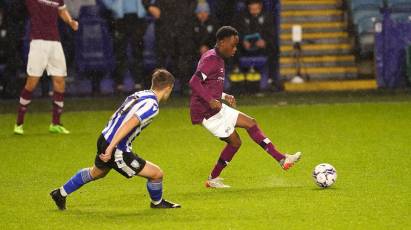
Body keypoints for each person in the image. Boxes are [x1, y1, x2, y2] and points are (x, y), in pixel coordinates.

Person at [50, 69, 181, 210]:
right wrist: (111, 147)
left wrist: (107, 140)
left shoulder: (139, 94)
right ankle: (157, 203)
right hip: (116, 147)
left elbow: (118, 114)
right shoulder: (152, 105)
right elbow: (129, 123)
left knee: (97, 172)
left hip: (104, 137)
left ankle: (60, 193)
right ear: (168, 88)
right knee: (156, 174)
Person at [188, 26, 301, 188]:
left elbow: (209, 84)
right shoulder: (211, 59)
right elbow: (194, 82)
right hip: (206, 112)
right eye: (232, 45)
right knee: (235, 143)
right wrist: (210, 100)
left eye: (236, 46)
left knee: (251, 123)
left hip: (215, 107)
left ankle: (282, 159)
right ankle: (212, 178)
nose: (234, 49)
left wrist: (223, 96)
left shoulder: (217, 58)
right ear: (221, 42)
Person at [13, 0, 79, 135]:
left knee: (60, 81)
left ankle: (55, 123)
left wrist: (71, 21)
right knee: (32, 83)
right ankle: (19, 123)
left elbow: (61, 10)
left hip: (55, 43)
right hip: (38, 43)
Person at [101, 0, 154, 93]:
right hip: (120, 18)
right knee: (119, 52)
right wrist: (114, 7)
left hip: (138, 18)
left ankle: (138, 82)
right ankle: (119, 83)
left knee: (137, 52)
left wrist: (146, 6)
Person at [235, 0, 282, 91]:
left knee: (274, 50)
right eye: (251, 9)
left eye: (256, 9)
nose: (253, 11)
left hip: (263, 49)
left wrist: (264, 41)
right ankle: (239, 82)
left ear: (260, 7)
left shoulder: (268, 17)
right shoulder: (242, 17)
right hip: (245, 49)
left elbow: (272, 35)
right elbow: (237, 33)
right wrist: (242, 42)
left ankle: (271, 80)